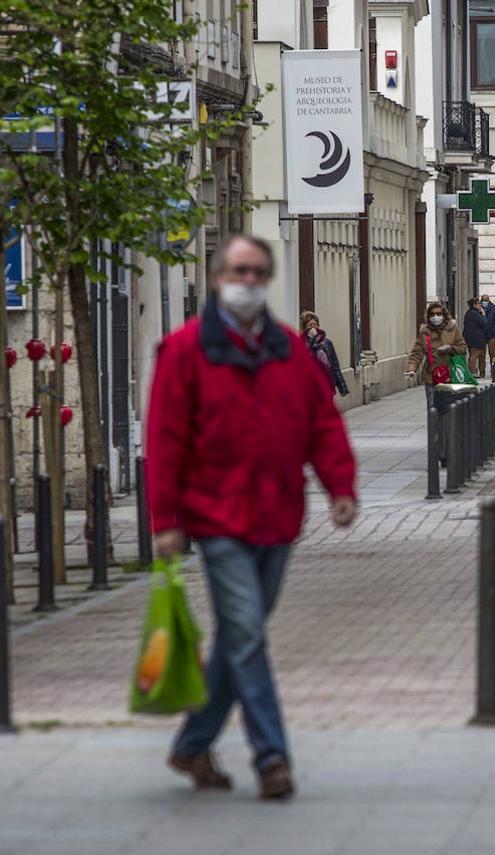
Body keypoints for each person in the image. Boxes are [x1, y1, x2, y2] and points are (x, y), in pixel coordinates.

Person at [147, 234, 357, 801]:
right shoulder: (185, 351)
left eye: (259, 272)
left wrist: (341, 485)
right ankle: (272, 758)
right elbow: (164, 441)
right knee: (245, 635)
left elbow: (322, 424)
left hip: (277, 518)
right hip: (215, 520)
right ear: (218, 278)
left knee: (241, 638)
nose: (249, 281)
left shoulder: (289, 350)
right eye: (239, 270)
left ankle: (192, 745)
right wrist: (164, 518)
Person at [406, 301, 465, 399]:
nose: (436, 317)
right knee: (432, 407)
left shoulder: (452, 330)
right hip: (431, 376)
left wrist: (450, 348)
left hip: (450, 376)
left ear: (444, 315)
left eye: (438, 314)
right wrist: (411, 369)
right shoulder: (425, 333)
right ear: (429, 317)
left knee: (449, 408)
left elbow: (463, 349)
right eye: (433, 314)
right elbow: (417, 353)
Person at [300, 311, 349, 398]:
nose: (313, 327)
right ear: (304, 328)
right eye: (310, 325)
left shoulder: (326, 343)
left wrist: (342, 386)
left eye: (315, 324)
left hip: (326, 384)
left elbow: (334, 365)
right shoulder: (300, 343)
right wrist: (312, 340)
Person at [463, 297, 489, 379]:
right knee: (475, 355)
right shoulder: (475, 313)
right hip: (476, 337)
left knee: (478, 355)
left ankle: (480, 371)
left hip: (471, 337)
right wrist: (483, 314)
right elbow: (484, 322)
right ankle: (473, 372)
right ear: (474, 305)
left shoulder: (469, 313)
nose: (480, 305)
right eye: (478, 304)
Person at [481, 293, 495, 378]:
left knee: (492, 354)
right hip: (481, 334)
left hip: (491, 334)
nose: (485, 302)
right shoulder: (478, 308)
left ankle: (493, 371)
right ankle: (482, 372)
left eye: (486, 301)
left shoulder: (493, 308)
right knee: (481, 355)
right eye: (483, 301)